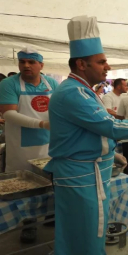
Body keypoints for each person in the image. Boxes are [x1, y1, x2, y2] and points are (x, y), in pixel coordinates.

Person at [44, 15, 128, 255]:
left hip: (89, 171)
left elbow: (93, 129)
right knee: (87, 232)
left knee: (84, 230)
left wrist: (109, 151)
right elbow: (111, 126)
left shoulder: (83, 91)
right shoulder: (73, 93)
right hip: (81, 175)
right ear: (81, 64)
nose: (107, 67)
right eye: (101, 62)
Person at [0, 47, 58, 243]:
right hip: (22, 145)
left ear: (41, 65)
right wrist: (41, 123)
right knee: (26, 187)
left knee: (52, 180)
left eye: (31, 62)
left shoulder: (51, 83)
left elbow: (60, 107)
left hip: (50, 143)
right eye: (22, 61)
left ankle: (51, 215)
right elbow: (8, 114)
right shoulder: (9, 83)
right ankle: (28, 223)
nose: (26, 65)